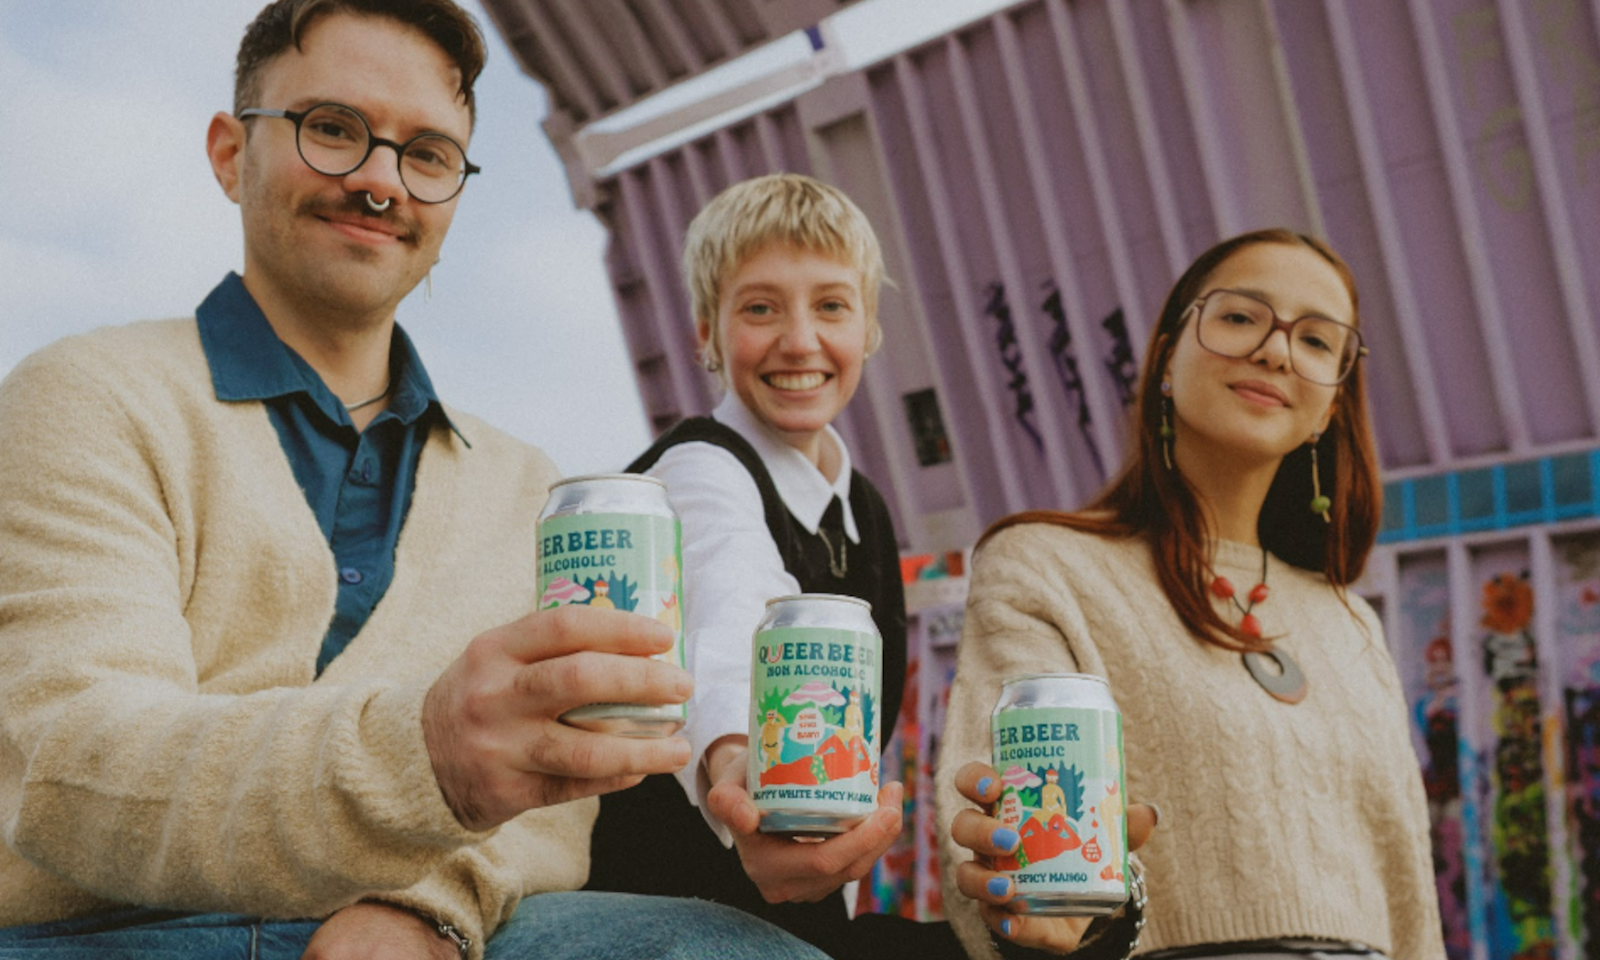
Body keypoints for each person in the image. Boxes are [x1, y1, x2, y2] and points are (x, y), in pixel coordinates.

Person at [0, 3, 826, 959]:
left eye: (427, 153)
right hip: (116, 931)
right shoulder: (85, 396)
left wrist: (420, 908)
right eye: (333, 130)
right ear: (231, 154)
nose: (381, 181)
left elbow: (546, 804)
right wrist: (423, 756)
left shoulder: (527, 484)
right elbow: (70, 763)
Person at [937, 230, 1446, 960]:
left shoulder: (1351, 623)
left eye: (1315, 341)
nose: (1275, 351)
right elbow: (997, 855)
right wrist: (1041, 918)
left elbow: (1410, 902)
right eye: (1241, 318)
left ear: (1332, 405)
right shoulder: (1045, 568)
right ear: (1167, 360)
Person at [585, 173, 962, 958]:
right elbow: (732, 623)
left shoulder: (864, 506)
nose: (799, 341)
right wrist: (741, 765)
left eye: (830, 305)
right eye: (760, 308)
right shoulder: (697, 470)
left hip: (791, 918)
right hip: (664, 923)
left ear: (869, 330)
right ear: (706, 334)